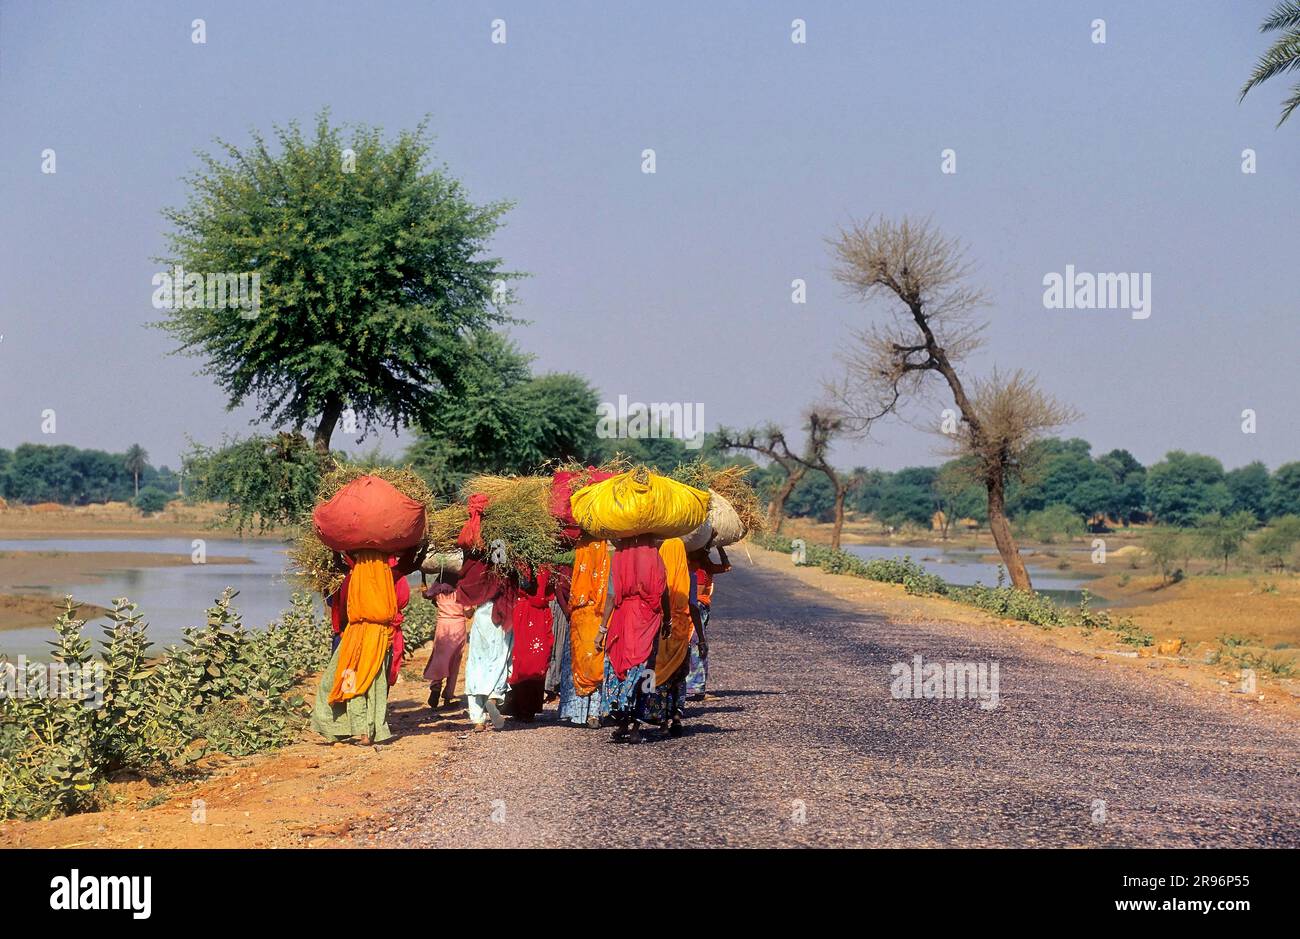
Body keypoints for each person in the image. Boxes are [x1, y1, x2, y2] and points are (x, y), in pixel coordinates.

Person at [311, 549, 416, 745]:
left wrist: (336, 549)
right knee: (374, 684)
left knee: (351, 679)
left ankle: (352, 728)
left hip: (355, 637)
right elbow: (409, 564)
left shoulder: (356, 572)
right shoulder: (390, 573)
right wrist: (419, 547)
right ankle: (369, 732)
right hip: (379, 637)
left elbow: (342, 563)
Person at [601, 535, 667, 744]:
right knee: (645, 670)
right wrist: (669, 620)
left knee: (619, 668)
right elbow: (663, 591)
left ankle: (621, 723)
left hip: (622, 619)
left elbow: (611, 595)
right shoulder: (655, 557)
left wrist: (602, 628)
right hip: (647, 620)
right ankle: (636, 729)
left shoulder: (619, 557)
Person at [644, 537, 699, 736]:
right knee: (678, 676)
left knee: (658, 674)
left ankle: (658, 720)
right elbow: (693, 606)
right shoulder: (689, 576)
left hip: (661, 628)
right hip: (681, 631)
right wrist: (701, 637)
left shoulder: (656, 573)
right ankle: (676, 717)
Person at [556, 537, 610, 727]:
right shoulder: (607, 555)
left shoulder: (576, 553)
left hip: (579, 616)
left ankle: (578, 713)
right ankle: (594, 714)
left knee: (580, 664)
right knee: (596, 664)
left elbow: (556, 558)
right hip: (599, 616)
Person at [457, 552, 512, 732]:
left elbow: (467, 606)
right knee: (499, 660)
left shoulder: (475, 566)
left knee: (476, 665)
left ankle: (478, 719)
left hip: (481, 618)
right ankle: (494, 697)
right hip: (502, 617)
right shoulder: (508, 567)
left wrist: (469, 607)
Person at [504, 565, 555, 722]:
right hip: (528, 613)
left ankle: (524, 708)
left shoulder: (542, 567)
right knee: (523, 658)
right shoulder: (535, 565)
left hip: (529, 613)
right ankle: (522, 708)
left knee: (530, 660)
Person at [685, 544, 730, 699]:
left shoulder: (706, 565)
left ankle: (694, 687)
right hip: (693, 610)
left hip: (702, 610)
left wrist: (720, 547)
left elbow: (726, 566)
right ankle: (695, 689)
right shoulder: (689, 563)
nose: (706, 550)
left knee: (697, 647)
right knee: (698, 646)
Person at [422, 569, 466, 712]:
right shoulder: (461, 592)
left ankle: (435, 687)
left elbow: (427, 595)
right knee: (454, 661)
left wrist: (423, 580)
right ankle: (447, 696)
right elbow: (469, 612)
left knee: (440, 658)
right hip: (458, 626)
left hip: (442, 626)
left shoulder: (439, 591)